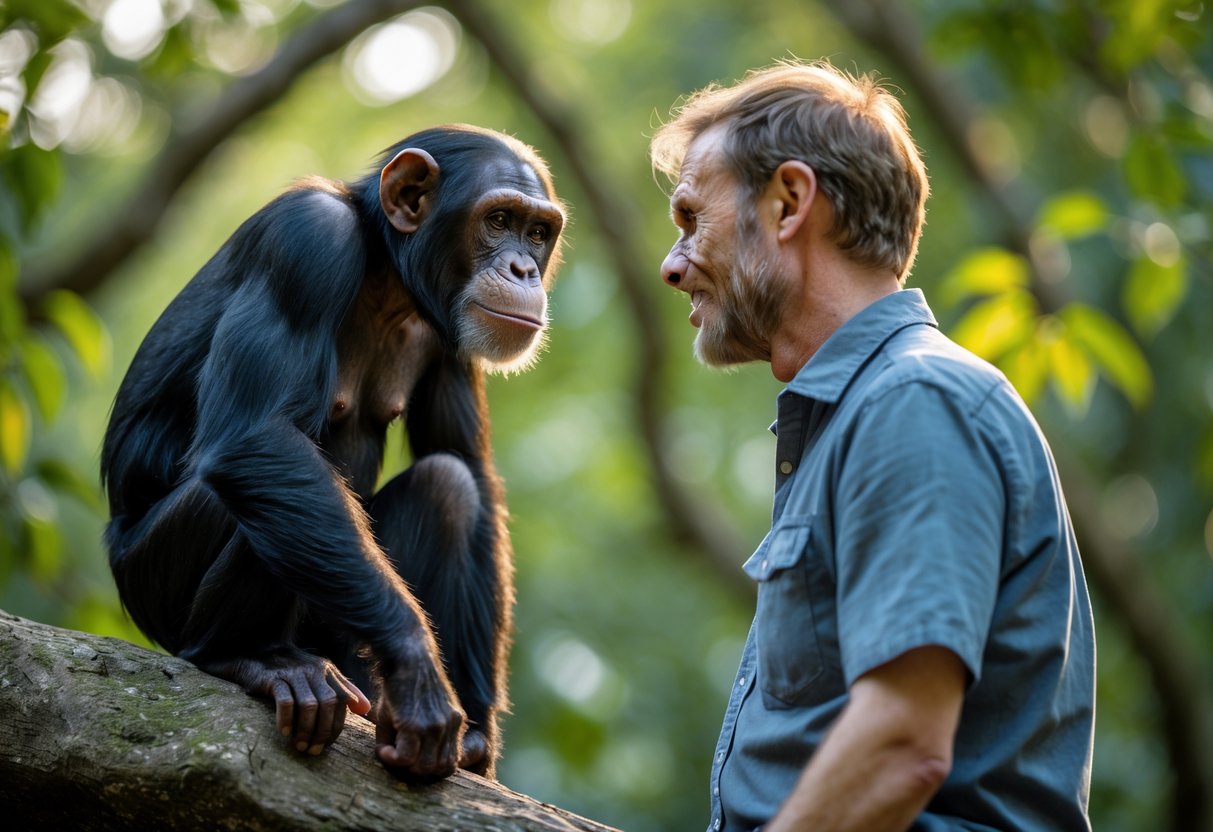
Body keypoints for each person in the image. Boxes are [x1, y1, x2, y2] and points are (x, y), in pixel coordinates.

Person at [649, 61, 1095, 831]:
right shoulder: (865, 413)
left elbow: (899, 746)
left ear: (788, 203)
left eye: (692, 219)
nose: (671, 265)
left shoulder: (915, 404)